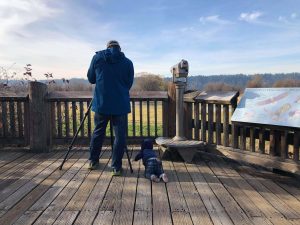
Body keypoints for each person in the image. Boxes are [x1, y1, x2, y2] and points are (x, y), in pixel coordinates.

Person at [87, 40, 134, 176]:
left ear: (107, 47)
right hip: (120, 104)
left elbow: (91, 79)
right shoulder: (128, 63)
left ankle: (93, 161)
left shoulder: (97, 58)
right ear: (119, 48)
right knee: (120, 136)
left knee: (98, 132)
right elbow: (128, 84)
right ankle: (116, 167)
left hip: (102, 103)